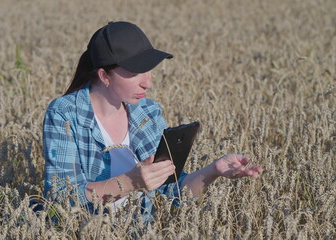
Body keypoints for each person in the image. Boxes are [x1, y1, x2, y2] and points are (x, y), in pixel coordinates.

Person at [43, 21, 263, 218]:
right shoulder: (65, 114)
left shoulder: (148, 112)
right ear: (104, 76)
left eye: (148, 70)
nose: (147, 83)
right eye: (136, 72)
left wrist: (215, 169)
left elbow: (174, 192)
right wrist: (131, 182)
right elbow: (63, 197)